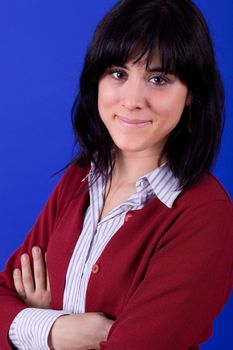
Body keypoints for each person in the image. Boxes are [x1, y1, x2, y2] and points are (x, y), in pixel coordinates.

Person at [0, 0, 233, 349]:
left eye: (158, 78)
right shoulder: (81, 178)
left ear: (191, 95)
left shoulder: (205, 214)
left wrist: (27, 325)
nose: (132, 100)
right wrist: (56, 329)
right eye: (118, 73)